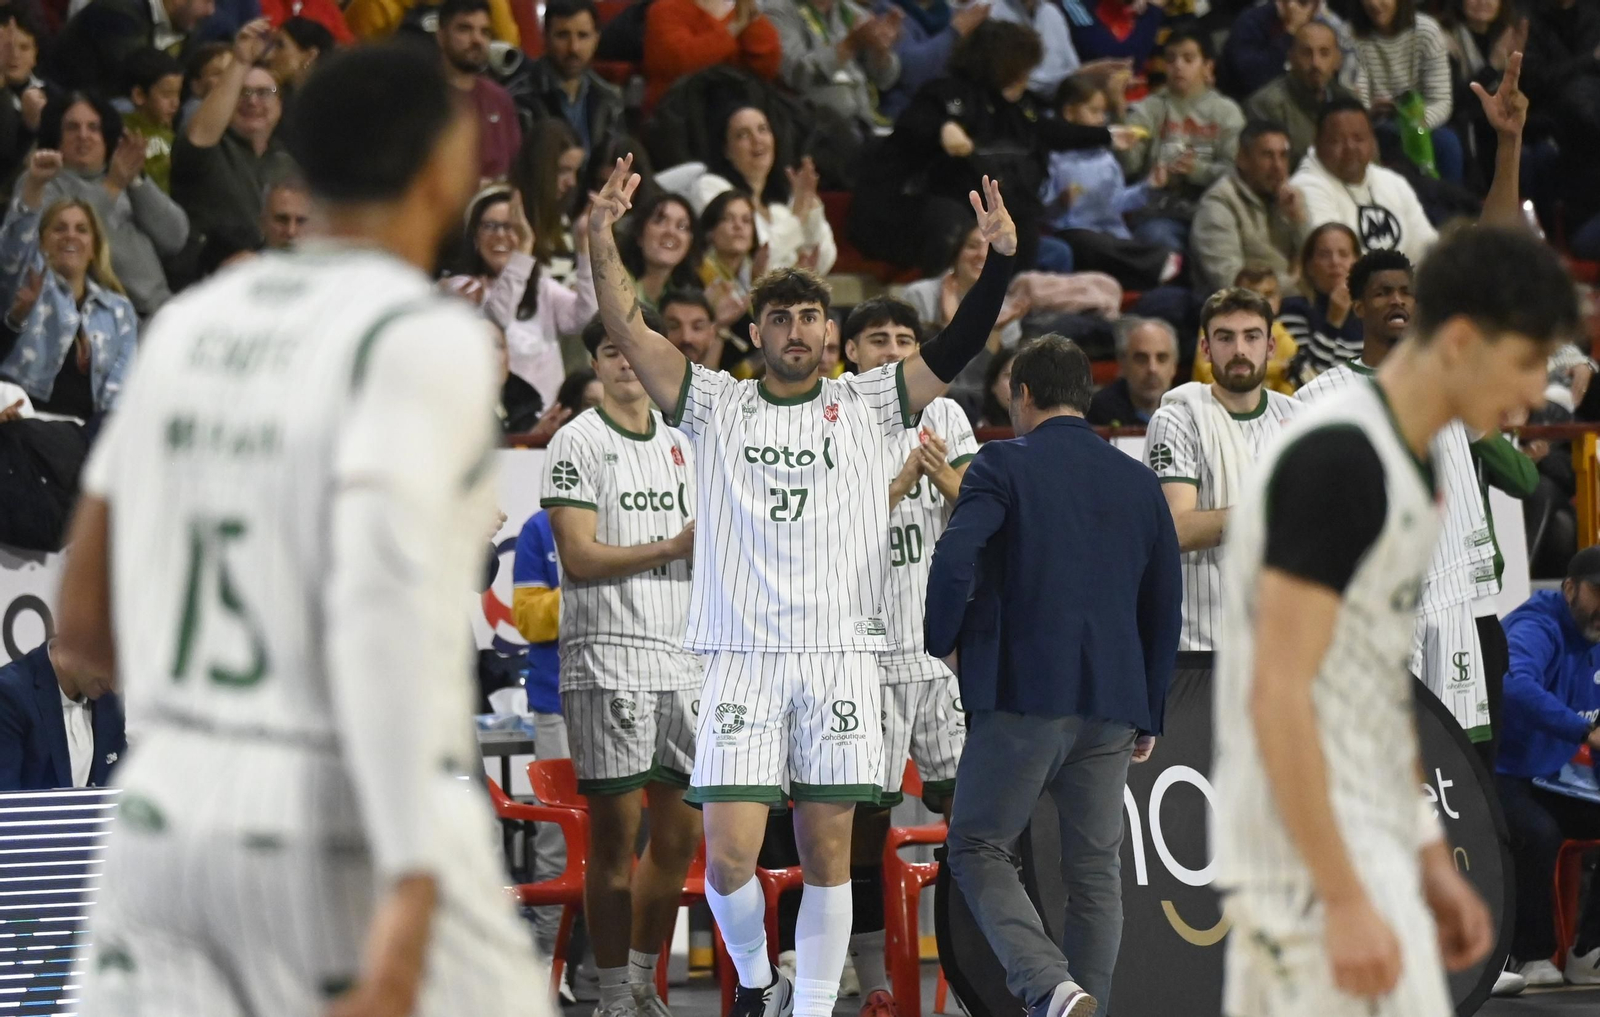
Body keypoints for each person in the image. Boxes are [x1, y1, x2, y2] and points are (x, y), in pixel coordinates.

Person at [55, 40, 553, 1017]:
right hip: (337, 826)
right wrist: (406, 897)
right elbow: (386, 625)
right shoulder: (421, 340)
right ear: (448, 165)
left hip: (167, 820)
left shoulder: (192, 326)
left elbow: (81, 630)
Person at [586, 152, 1015, 1017]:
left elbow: (959, 343)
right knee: (732, 858)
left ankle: (811, 1008)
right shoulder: (714, 404)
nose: (795, 331)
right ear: (758, 333)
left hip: (839, 657)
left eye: (809, 318)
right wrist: (600, 239)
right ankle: (757, 981)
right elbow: (630, 329)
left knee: (829, 856)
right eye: (779, 318)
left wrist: (1000, 261)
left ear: (829, 333)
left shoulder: (872, 403)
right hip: (739, 657)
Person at [1211, 224, 1577, 1017]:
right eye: (1522, 365)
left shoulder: (1410, 454)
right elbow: (1283, 690)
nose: (1526, 400)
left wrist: (1431, 862)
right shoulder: (1337, 444)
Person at [927, 334, 1182, 1017]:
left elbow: (955, 559)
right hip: (1115, 700)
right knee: (1095, 871)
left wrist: (945, 642)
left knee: (979, 845)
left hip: (1022, 694)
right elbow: (1165, 601)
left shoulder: (1001, 463)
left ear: (1022, 394)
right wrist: (1149, 706)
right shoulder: (1137, 479)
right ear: (1087, 394)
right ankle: (1083, 1002)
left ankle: (1051, 985)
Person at [1297, 248, 1534, 763]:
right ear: (1358, 306)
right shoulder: (1322, 396)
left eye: (1406, 292)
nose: (1397, 301)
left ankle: (1474, 847)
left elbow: (1525, 479)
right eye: (1382, 292)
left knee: (1471, 767)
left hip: (1461, 607)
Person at [542, 315, 703, 1017]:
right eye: (612, 351)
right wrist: (671, 547)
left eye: (636, 349)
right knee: (614, 840)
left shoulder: (686, 444)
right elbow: (578, 556)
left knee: (679, 837)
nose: (627, 363)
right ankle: (612, 994)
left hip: (686, 659)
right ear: (597, 363)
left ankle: (641, 981)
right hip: (607, 658)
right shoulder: (574, 441)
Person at [839, 296, 979, 1017]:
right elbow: (825, 533)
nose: (893, 349)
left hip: (940, 654)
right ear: (852, 353)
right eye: (877, 339)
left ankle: (971, 968)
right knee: (865, 820)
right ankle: (875, 979)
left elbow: (982, 512)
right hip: (862, 653)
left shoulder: (945, 417)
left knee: (971, 812)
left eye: (904, 338)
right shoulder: (833, 415)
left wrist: (946, 480)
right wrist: (894, 487)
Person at [850, 20, 1122, 274]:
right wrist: (942, 128)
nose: (1025, 79)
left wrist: (1106, 135)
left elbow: (1050, 131)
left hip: (976, 207)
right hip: (911, 207)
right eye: (1021, 71)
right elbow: (913, 126)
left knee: (1023, 219)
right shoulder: (944, 92)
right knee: (955, 220)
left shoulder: (1016, 105)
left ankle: (1008, 304)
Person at [1143, 288, 1301, 651]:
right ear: (1206, 348)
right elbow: (1176, 529)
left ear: (1271, 347)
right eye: (1225, 337)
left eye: (1252, 336)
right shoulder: (1178, 419)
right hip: (1200, 642)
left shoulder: (1299, 419)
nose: (1240, 349)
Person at [1497, 552, 1600, 986]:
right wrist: (1581, 731)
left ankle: (1589, 951)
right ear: (1570, 587)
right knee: (1537, 833)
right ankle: (1527, 954)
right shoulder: (1537, 625)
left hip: (1552, 773)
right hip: (1499, 770)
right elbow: (1514, 682)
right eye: (1599, 593)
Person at [0, 150, 140, 418]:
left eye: (81, 229)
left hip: (81, 435)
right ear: (42, 242)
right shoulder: (28, 284)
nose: (70, 236)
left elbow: (119, 393)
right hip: (21, 418)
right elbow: (12, 249)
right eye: (59, 228)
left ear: (94, 246)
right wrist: (35, 184)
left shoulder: (119, 310)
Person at [38, 89, 190, 317]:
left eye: (94, 127)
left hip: (162, 309)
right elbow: (69, 229)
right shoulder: (43, 181)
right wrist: (112, 187)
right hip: (101, 316)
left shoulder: (124, 177)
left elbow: (175, 238)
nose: (83, 135)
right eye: (72, 127)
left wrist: (137, 181)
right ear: (55, 136)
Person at [445, 184, 598, 407]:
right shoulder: (460, 288)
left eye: (511, 227)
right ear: (474, 237)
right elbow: (496, 321)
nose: (500, 235)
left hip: (545, 426)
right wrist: (524, 247)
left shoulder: (543, 289)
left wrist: (584, 244)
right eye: (490, 226)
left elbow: (588, 319)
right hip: (491, 423)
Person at [1041, 73, 1182, 290]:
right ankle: (1157, 262)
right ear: (1069, 113)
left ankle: (1155, 272)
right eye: (1094, 111)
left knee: (1124, 247)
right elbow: (1042, 210)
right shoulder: (1053, 159)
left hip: (1112, 236)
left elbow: (1118, 202)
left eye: (1103, 112)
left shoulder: (1105, 157)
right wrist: (1061, 202)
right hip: (1074, 236)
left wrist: (1149, 186)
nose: (1101, 120)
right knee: (1083, 243)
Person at [1118, 28, 1246, 254]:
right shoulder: (1148, 109)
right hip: (1159, 214)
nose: (1178, 66)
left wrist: (1197, 170)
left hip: (1212, 212)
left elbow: (1240, 175)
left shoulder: (1226, 112)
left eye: (1188, 59)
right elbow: (1128, 167)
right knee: (1157, 238)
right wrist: (1120, 118)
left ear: (1208, 66)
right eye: (1170, 59)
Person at [171, 19, 295, 249]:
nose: (253, 101)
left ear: (280, 104)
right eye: (242, 92)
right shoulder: (211, 148)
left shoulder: (286, 161)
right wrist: (240, 61)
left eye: (264, 93)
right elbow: (199, 137)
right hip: (212, 273)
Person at [686, 106, 837, 276]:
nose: (757, 140)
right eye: (743, 134)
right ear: (726, 150)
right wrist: (798, 217)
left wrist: (811, 207)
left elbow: (822, 261)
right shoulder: (710, 187)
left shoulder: (779, 211)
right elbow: (750, 256)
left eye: (763, 130)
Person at [1348, 0, 1462, 183]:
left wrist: (1414, 126)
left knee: (1447, 142)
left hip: (1422, 121)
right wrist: (1369, 111)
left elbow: (1441, 101)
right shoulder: (1353, 36)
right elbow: (1355, 99)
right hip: (1377, 124)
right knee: (1387, 138)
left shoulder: (1427, 31)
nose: (1374, 4)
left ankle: (1453, 205)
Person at [1191, 121, 1309, 293]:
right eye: (1267, 156)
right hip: (1242, 312)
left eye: (1283, 156)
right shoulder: (1218, 204)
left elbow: (1320, 263)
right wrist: (1295, 282)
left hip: (1296, 304)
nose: (1278, 166)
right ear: (1243, 159)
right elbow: (1231, 283)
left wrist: (1300, 221)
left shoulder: (1291, 196)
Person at [762, 0, 901, 140]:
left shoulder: (850, 11)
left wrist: (881, 51)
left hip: (866, 124)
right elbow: (794, 74)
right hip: (815, 132)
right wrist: (847, 47)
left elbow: (885, 80)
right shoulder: (778, 10)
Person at [0, 640, 123, 791]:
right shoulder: (9, 694)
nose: (114, 686)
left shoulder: (108, 697)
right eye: (109, 663)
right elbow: (7, 805)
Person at [1246, 21, 1360, 169]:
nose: (1315, 63)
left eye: (1324, 53)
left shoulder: (1349, 102)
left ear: (1338, 61)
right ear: (1291, 58)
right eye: (1306, 53)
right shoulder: (1266, 105)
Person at [641, 0, 782, 110]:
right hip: (680, 118)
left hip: (738, 110)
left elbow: (767, 63)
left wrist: (751, 19)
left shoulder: (736, 9)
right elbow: (680, 62)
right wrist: (733, 29)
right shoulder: (665, 9)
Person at [52, 0, 215, 94]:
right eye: (207, 1)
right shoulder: (118, 10)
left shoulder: (188, 27)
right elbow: (134, 79)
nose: (211, 11)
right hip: (67, 103)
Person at [525, 0, 623, 156]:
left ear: (596, 39)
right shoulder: (522, 97)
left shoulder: (609, 98)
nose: (573, 47)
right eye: (563, 35)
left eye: (583, 36)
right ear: (545, 37)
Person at [438, 0, 522, 180]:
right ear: (441, 35)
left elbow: (516, 169)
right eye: (464, 29)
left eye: (484, 32)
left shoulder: (500, 99)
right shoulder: (421, 96)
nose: (477, 40)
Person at [871, 0, 989, 120]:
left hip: (939, 116)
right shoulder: (890, 10)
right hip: (897, 115)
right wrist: (954, 32)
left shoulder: (946, 15)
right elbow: (908, 72)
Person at [1220, 0, 1358, 99]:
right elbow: (1254, 79)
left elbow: (1347, 65)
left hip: (1318, 99)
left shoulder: (1327, 22)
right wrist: (1291, 31)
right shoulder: (1251, 21)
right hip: (1264, 103)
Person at [1279, 222, 1363, 381]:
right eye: (1324, 255)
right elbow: (1306, 379)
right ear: (1309, 266)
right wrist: (1333, 322)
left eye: (1344, 254)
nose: (1335, 262)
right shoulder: (1293, 309)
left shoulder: (1372, 313)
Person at [510, 118, 587, 286]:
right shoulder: (500, 208)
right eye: (563, 170)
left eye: (575, 171)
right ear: (540, 165)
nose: (572, 182)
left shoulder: (561, 219)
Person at [1086, 315, 1177, 427]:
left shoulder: (1188, 412)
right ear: (1123, 364)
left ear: (1174, 366)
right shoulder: (1097, 413)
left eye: (1161, 358)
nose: (1152, 369)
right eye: (1141, 359)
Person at [618, 191, 700, 311]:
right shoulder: (612, 283)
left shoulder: (688, 295)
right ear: (639, 234)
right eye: (660, 221)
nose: (671, 232)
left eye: (682, 226)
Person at [121, 47, 184, 194]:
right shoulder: (125, 133)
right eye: (167, 94)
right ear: (139, 95)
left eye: (178, 94)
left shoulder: (170, 134)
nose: (175, 103)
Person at [259, 171, 310, 249]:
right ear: (263, 222)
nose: (291, 232)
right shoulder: (247, 261)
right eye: (282, 219)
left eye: (300, 221)